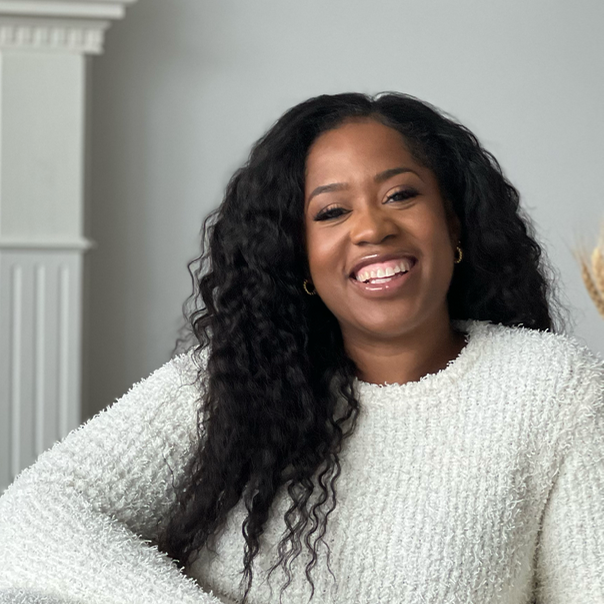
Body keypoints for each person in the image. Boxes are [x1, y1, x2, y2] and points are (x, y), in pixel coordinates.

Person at [0, 92, 602, 604]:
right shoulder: (231, 381)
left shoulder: (553, 388)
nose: (371, 228)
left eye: (400, 195)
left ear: (455, 223)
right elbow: (28, 515)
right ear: (302, 261)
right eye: (332, 211)